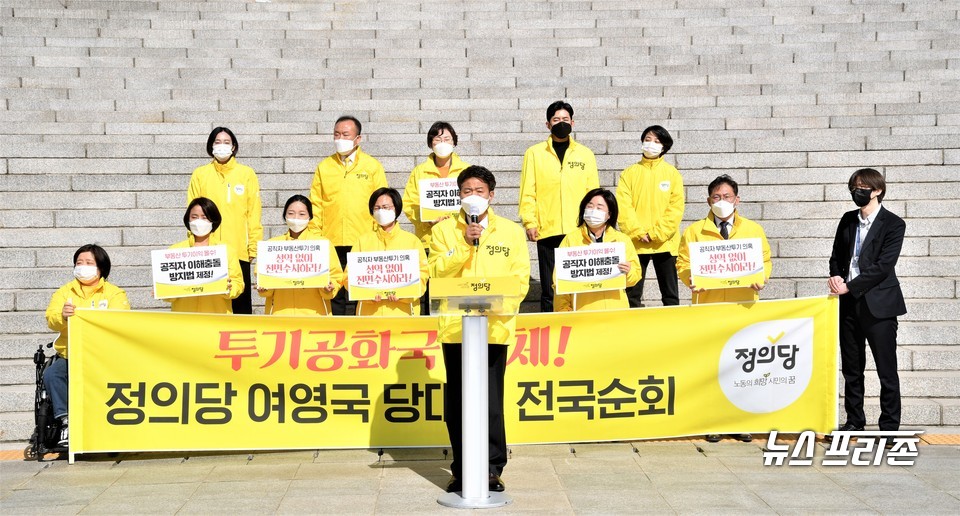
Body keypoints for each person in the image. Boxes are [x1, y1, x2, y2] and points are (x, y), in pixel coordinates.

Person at [429, 166, 530, 494]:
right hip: (457, 329)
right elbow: (436, 273)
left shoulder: (510, 232)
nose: (473, 196)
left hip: (493, 328)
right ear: (459, 195)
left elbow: (520, 279)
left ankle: (491, 467)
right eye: (467, 191)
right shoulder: (444, 231)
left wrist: (500, 304)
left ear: (491, 195)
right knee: (458, 401)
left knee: (490, 401)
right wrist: (462, 244)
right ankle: (462, 468)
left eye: (480, 191)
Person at [676, 174, 771, 443]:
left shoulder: (753, 230)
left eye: (727, 196)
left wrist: (761, 278)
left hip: (743, 307)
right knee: (712, 367)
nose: (722, 201)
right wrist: (689, 279)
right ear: (708, 200)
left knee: (742, 367)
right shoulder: (694, 231)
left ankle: (741, 421)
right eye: (716, 197)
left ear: (737, 200)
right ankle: (712, 421)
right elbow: (682, 263)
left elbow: (764, 260)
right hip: (709, 307)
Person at [828, 168, 906, 435]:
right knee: (852, 367)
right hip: (848, 304)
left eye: (862, 187)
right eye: (854, 188)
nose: (857, 192)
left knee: (887, 369)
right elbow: (836, 256)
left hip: (879, 305)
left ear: (877, 190)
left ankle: (889, 427)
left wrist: (850, 286)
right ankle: (854, 421)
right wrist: (836, 277)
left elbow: (884, 266)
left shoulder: (894, 224)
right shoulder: (848, 220)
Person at [45, 244, 130, 448]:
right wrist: (62, 316)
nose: (83, 266)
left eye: (89, 263)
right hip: (71, 353)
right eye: (79, 263)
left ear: (101, 267)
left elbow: (122, 320)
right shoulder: (65, 292)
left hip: (102, 355)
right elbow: (51, 318)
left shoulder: (114, 294)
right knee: (52, 375)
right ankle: (66, 422)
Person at [519, 100, 599, 312]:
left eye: (565, 119)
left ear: (572, 122)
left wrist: (593, 223)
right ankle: (550, 330)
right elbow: (528, 191)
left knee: (579, 284)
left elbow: (593, 192)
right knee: (549, 287)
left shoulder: (585, 154)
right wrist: (529, 221)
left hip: (579, 230)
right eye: (556, 120)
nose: (561, 123)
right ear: (548, 124)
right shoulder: (534, 153)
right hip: (547, 229)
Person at [308, 115, 387, 315]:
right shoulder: (324, 167)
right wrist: (316, 235)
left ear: (357, 139)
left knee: (360, 292)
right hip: (330, 240)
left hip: (363, 240)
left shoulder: (372, 166)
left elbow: (382, 202)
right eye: (336, 134)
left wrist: (377, 235)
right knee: (334, 293)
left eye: (345, 134)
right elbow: (316, 203)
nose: (340, 138)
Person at [187, 126, 262, 315]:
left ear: (234, 146)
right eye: (217, 142)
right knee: (212, 304)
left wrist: (253, 246)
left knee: (240, 305)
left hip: (238, 250)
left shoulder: (246, 174)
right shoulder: (200, 174)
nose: (222, 146)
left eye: (226, 142)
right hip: (208, 250)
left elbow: (253, 212)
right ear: (210, 147)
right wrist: (193, 242)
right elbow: (192, 211)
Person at [402, 121, 470, 314]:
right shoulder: (419, 172)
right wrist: (426, 219)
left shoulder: (466, 169)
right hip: (429, 240)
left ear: (454, 142)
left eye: (447, 138)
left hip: (459, 238)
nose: (442, 142)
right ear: (430, 143)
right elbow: (409, 203)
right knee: (433, 293)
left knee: (456, 287)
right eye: (437, 138)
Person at [615, 125, 684, 308]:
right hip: (636, 243)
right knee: (632, 295)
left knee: (670, 295)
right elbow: (623, 207)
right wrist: (638, 232)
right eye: (647, 139)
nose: (651, 144)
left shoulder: (672, 174)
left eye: (656, 141)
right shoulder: (629, 173)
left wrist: (656, 234)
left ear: (664, 147)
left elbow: (675, 208)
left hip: (665, 242)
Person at [554, 188, 641, 312]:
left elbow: (635, 276)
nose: (593, 211)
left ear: (609, 214)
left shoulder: (622, 240)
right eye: (590, 206)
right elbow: (559, 280)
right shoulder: (571, 240)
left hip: (616, 311)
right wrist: (563, 310)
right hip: (582, 311)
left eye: (599, 208)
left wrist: (629, 271)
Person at [347, 188, 428, 316]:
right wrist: (367, 295)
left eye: (385, 207)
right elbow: (348, 276)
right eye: (377, 208)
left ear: (396, 208)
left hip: (403, 314)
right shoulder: (362, 241)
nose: (381, 211)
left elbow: (423, 275)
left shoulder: (412, 241)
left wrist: (404, 295)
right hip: (370, 315)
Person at [257, 195, 343, 316]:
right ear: (285, 216)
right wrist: (265, 288)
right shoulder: (272, 246)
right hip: (280, 314)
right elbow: (262, 277)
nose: (296, 218)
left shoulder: (322, 245)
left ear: (310, 217)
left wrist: (329, 288)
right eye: (291, 213)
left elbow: (336, 276)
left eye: (302, 214)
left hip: (314, 314)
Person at [168, 197, 244, 314]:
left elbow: (238, 283)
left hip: (217, 317)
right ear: (187, 219)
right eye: (194, 217)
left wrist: (229, 289)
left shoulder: (226, 250)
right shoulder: (175, 251)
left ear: (213, 220)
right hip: (184, 319)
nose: (199, 221)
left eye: (204, 217)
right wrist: (163, 290)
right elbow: (168, 293)